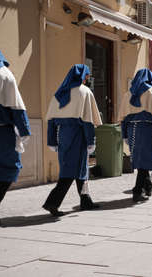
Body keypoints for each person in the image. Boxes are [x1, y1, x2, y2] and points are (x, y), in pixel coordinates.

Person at [44, 64, 102, 216]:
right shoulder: (84, 92)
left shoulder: (59, 93)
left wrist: (52, 141)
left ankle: (85, 200)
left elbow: (51, 121)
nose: (88, 78)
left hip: (62, 135)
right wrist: (91, 141)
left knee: (79, 169)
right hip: (78, 135)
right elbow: (87, 121)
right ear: (83, 76)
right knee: (71, 171)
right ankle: (52, 202)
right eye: (87, 75)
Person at [0, 42, 31, 227]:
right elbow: (17, 107)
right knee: (9, 169)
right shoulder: (4, 74)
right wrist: (24, 131)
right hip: (1, 133)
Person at [119, 69, 152, 202]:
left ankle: (148, 186)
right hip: (146, 128)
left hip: (131, 129)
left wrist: (124, 133)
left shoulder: (128, 93)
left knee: (140, 158)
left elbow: (124, 117)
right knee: (145, 159)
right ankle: (137, 191)